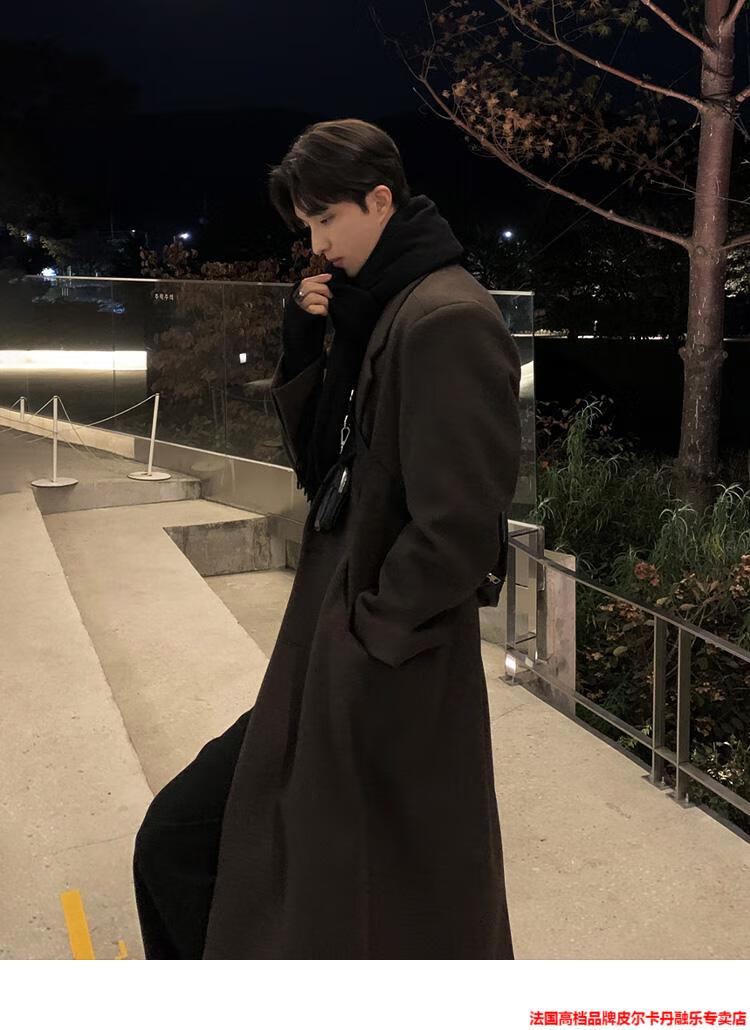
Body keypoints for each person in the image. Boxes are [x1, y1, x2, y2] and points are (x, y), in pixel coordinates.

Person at [133, 118, 521, 959]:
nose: (316, 246)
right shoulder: (381, 306)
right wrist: (307, 341)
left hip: (379, 665)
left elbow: (460, 527)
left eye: (325, 220)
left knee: (247, 862)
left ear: (380, 200)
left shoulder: (445, 316)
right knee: (227, 854)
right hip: (337, 646)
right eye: (306, 225)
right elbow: (325, 472)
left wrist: (365, 636)